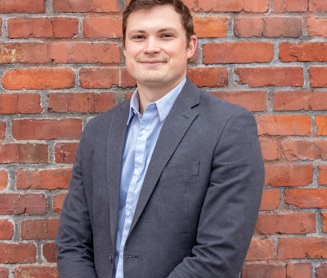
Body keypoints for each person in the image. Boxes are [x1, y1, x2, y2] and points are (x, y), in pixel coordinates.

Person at [55, 0, 264, 277]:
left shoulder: (229, 128)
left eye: (166, 35)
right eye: (139, 37)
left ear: (190, 46)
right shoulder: (97, 133)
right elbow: (72, 244)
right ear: (125, 48)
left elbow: (218, 256)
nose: (151, 47)